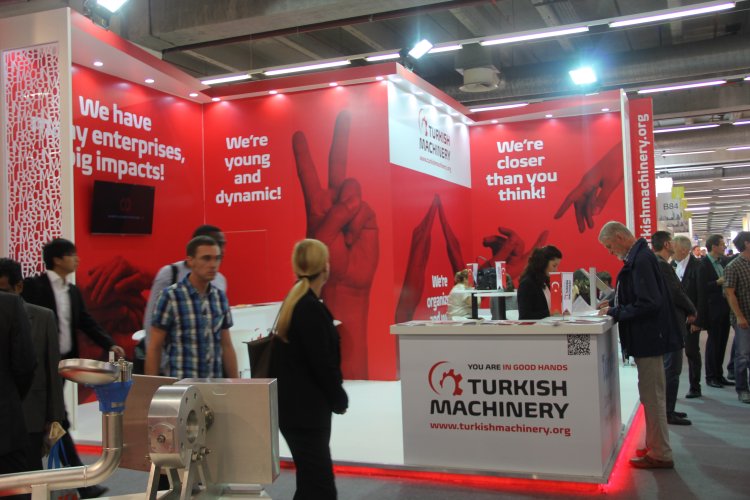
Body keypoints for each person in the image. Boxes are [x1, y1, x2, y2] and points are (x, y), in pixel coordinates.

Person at [21, 238, 123, 499]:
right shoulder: (33, 287)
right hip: (39, 367)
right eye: (72, 255)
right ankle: (81, 482)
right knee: (58, 419)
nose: (77, 259)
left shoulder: (72, 291)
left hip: (64, 365)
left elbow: (86, 322)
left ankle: (72, 481)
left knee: (57, 419)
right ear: (57, 259)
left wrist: (109, 343)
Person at [598, 221, 682, 469]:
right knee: (650, 395)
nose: (609, 252)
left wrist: (617, 311)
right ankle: (655, 444)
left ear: (620, 237)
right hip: (649, 337)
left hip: (649, 338)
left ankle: (660, 453)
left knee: (652, 397)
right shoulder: (641, 257)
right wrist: (617, 305)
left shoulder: (641, 260)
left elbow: (648, 303)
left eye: (609, 246)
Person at [271, 239, 348, 499]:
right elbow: (322, 363)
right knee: (320, 487)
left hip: (298, 412)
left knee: (311, 484)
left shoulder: (297, 303)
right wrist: (339, 397)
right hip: (305, 414)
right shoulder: (308, 308)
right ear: (325, 267)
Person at [0, 258, 65, 471]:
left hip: (31, 414)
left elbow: (51, 371)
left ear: (18, 286)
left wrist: (55, 418)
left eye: (4, 290)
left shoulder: (43, 317)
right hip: (10, 411)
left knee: (29, 476)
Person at [146, 236, 238, 379]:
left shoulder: (219, 297)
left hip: (214, 384)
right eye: (206, 258)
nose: (213, 264)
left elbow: (226, 345)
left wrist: (236, 384)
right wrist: (151, 386)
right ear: (190, 261)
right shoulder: (170, 296)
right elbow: (155, 346)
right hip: (182, 384)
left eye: (217, 258)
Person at [651, 231, 696, 425]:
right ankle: (668, 412)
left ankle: (668, 410)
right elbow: (676, 293)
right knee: (672, 370)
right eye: (673, 243)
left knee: (670, 369)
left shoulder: (660, 264)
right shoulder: (662, 265)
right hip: (671, 324)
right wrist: (692, 309)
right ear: (667, 244)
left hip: (668, 324)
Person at [0, 289, 36, 485]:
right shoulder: (9, 305)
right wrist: (11, 398)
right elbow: (25, 365)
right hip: (5, 428)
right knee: (13, 489)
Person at [696, 234, 732, 389]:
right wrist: (717, 282)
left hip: (725, 307)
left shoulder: (723, 262)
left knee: (722, 342)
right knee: (714, 343)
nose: (724, 247)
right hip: (712, 310)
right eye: (722, 244)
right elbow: (701, 288)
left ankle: (719, 374)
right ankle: (711, 376)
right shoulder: (703, 264)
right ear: (714, 246)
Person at [672, 235, 703, 398]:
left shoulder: (698, 266)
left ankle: (695, 386)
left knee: (692, 352)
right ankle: (671, 391)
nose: (671, 250)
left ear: (684, 250)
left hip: (691, 318)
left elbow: (702, 295)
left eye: (674, 247)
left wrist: (697, 319)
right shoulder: (671, 265)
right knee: (673, 355)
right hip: (674, 318)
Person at [724, 231, 750, 403]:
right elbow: (729, 293)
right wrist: (739, 316)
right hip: (743, 318)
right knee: (742, 355)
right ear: (746, 243)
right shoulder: (733, 266)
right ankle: (742, 389)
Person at [517, 245, 562, 320]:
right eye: (554, 266)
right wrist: (550, 312)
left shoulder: (546, 281)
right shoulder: (527, 284)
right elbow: (524, 316)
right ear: (543, 263)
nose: (556, 270)